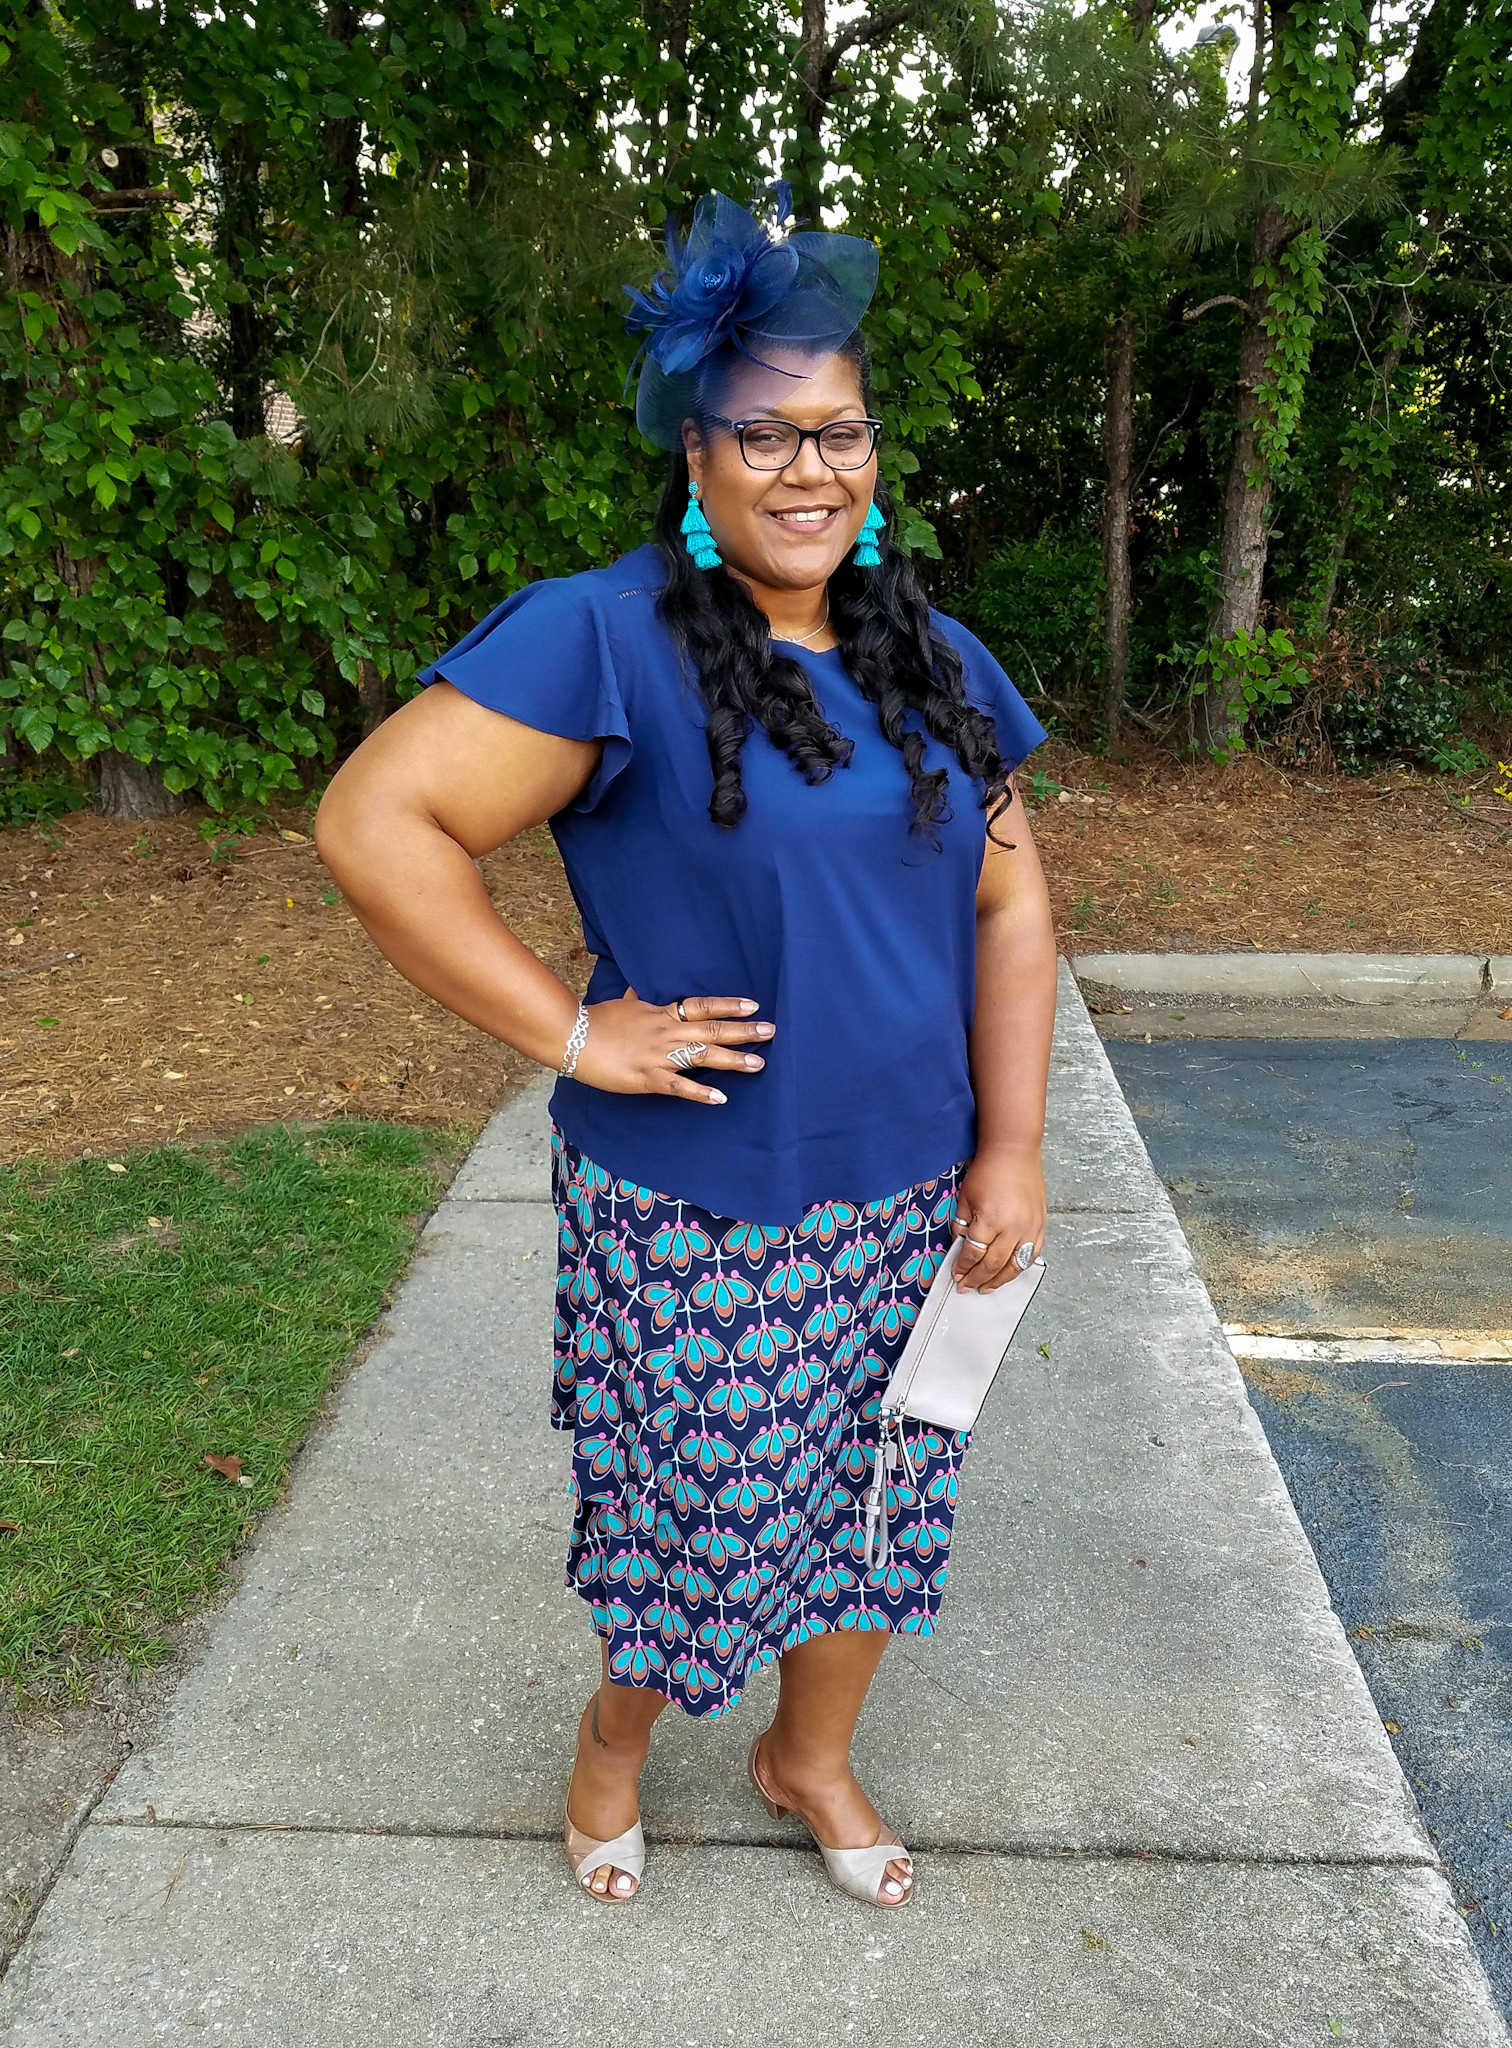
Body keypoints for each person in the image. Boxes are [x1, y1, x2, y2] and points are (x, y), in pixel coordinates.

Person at [313, 179, 1057, 1912]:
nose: (811, 469)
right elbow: (378, 822)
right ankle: (615, 1744)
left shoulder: (934, 657)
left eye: (840, 432)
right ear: (697, 458)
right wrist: (574, 1031)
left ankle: (808, 1758)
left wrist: (1010, 1146)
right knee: (703, 1522)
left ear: (877, 454)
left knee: (884, 1494)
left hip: (917, 1192)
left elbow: (1011, 913)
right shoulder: (607, 634)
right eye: (765, 436)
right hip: (704, 1201)